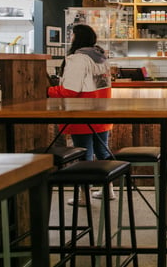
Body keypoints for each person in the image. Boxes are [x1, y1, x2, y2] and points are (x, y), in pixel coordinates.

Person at [47, 24, 114, 202]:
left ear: (77, 38)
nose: (70, 39)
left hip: (82, 112)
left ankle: (84, 196)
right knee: (102, 151)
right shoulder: (101, 58)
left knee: (84, 154)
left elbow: (70, 90)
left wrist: (50, 91)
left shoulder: (78, 59)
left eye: (72, 36)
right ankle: (108, 190)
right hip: (101, 111)